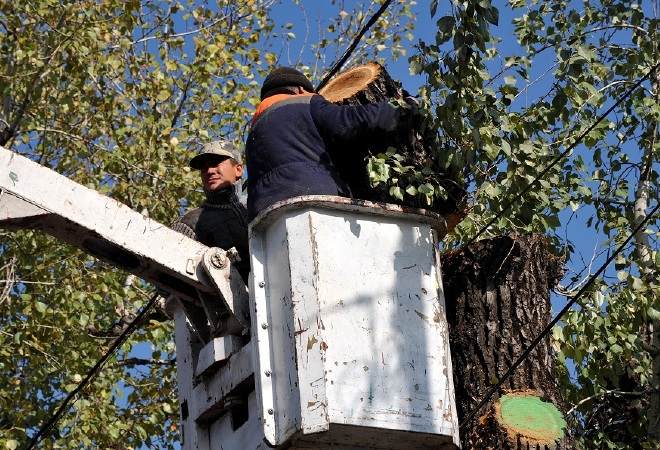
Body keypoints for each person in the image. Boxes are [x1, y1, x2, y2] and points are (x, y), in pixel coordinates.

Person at [245, 66, 418, 221]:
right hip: (313, 202)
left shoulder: (255, 130)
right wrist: (403, 108)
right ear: (299, 89)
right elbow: (354, 122)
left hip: (263, 215)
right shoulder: (305, 103)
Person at [172, 140, 250, 283]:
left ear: (238, 169)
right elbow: (170, 280)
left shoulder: (259, 204)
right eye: (203, 167)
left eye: (215, 163)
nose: (209, 171)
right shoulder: (191, 222)